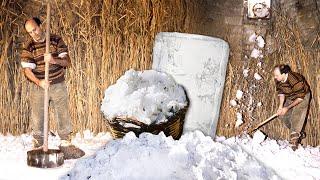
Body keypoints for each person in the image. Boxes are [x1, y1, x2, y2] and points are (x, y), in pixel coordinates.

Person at [20, 17, 84, 159]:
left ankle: (66, 145)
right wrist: (39, 82)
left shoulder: (55, 40)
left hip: (58, 84)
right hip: (40, 86)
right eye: (30, 32)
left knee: (63, 114)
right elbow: (27, 71)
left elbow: (67, 62)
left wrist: (54, 60)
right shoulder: (29, 47)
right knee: (37, 117)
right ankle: (38, 146)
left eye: (35, 29)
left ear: (40, 25)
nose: (34, 34)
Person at [273, 64, 311, 150]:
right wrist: (281, 106)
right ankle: (299, 132)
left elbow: (300, 98)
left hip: (302, 96)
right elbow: (281, 93)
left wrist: (287, 107)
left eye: (277, 75)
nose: (275, 77)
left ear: (284, 74)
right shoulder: (278, 79)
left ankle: (293, 141)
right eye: (275, 75)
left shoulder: (295, 80)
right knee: (282, 115)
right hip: (290, 96)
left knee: (296, 115)